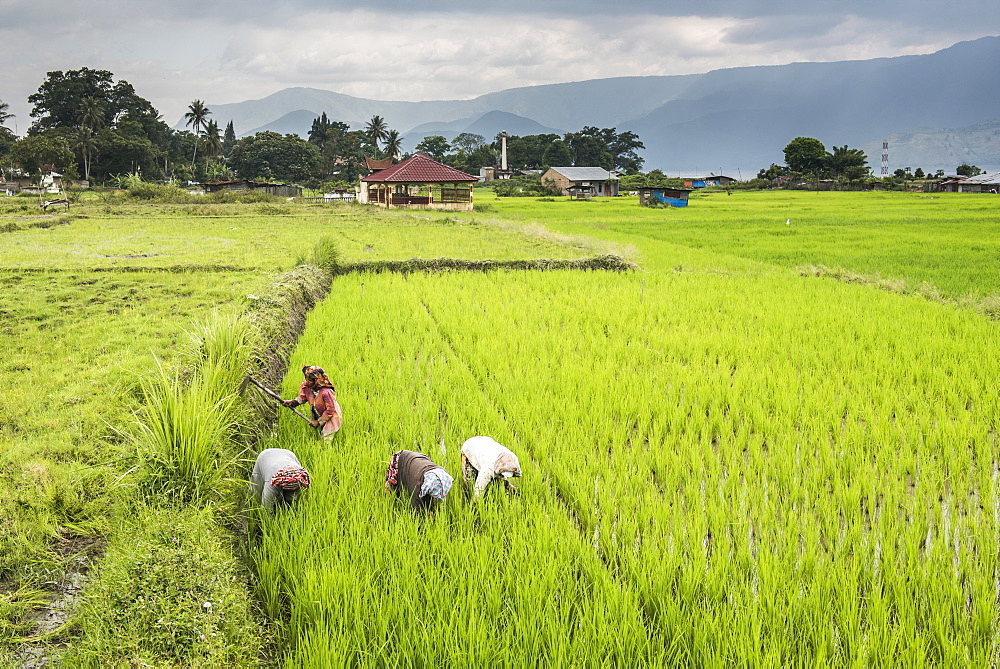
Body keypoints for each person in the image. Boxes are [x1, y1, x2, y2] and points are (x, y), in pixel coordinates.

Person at [282, 365, 342, 439]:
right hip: (317, 413)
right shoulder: (306, 386)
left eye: (310, 380)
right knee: (318, 433)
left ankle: (326, 449)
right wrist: (292, 402)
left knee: (326, 437)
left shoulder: (326, 392)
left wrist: (318, 422)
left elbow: (330, 410)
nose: (307, 382)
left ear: (317, 380)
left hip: (331, 416)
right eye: (306, 379)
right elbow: (303, 397)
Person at [384, 450, 453, 511]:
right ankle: (385, 503)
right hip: (400, 458)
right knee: (393, 488)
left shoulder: (443, 474)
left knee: (428, 500)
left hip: (420, 458)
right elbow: (416, 510)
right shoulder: (417, 486)